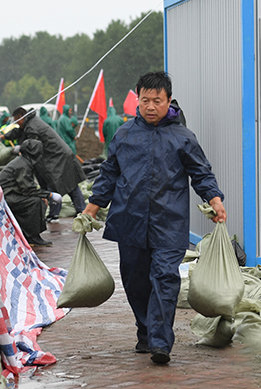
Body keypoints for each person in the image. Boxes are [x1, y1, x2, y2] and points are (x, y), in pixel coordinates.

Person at [82, 71, 226, 365]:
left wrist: (214, 199)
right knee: (135, 281)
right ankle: (145, 331)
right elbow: (109, 174)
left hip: (169, 222)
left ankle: (161, 342)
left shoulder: (183, 137)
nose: (150, 106)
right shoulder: (124, 134)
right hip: (129, 221)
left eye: (156, 101)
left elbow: (201, 173)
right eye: (145, 100)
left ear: (168, 100)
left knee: (165, 278)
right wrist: (91, 208)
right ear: (138, 99)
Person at [0, 107, 87, 222]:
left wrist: (20, 149)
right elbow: (19, 132)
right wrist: (3, 136)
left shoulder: (32, 126)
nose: (17, 123)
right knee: (67, 184)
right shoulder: (29, 123)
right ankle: (78, 210)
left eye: (17, 121)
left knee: (57, 184)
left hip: (58, 157)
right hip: (56, 156)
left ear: (22, 116)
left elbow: (32, 146)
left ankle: (59, 214)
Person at [0, 139, 61, 247]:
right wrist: (48, 195)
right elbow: (28, 189)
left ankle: (30, 235)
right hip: (7, 196)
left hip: (11, 193)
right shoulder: (23, 165)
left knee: (37, 200)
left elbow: (26, 187)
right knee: (35, 202)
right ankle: (32, 237)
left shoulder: (24, 161)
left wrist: (42, 195)